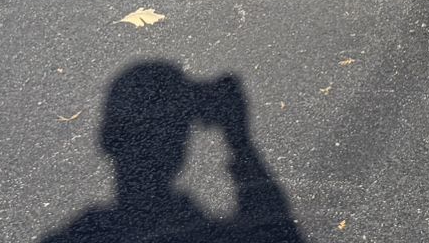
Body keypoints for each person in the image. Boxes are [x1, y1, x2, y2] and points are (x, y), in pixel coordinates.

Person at [39, 62, 305, 242]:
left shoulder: (80, 232)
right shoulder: (190, 225)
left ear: (106, 139)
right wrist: (238, 138)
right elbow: (277, 232)